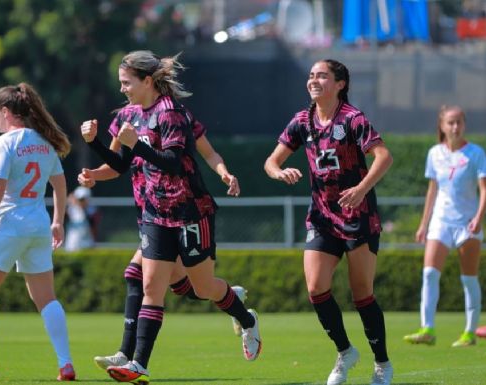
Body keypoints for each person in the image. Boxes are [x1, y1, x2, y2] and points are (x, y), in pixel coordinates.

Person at [81, 50, 260, 384]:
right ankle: (137, 363)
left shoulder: (172, 114)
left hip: (190, 211)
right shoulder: (127, 116)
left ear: (147, 81)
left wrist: (222, 171)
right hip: (155, 214)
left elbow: (173, 163)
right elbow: (120, 165)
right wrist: (93, 146)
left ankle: (246, 319)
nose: (122, 89)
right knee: (147, 282)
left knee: (203, 287)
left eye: (126, 83)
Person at [264, 59, 394, 385]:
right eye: (311, 75)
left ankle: (382, 364)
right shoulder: (302, 120)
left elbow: (384, 156)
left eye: (322, 75)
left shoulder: (352, 119)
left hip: (358, 216)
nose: (314, 80)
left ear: (339, 84)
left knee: (362, 294)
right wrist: (279, 171)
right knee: (315, 287)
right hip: (322, 216)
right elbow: (271, 161)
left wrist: (362, 189)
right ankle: (345, 351)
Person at [0, 82, 76, 382]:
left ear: (6, 112)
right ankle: (66, 364)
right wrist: (58, 220)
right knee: (47, 298)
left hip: (8, 223)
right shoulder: (44, 142)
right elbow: (60, 183)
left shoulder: (5, 143)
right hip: (38, 226)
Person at [403, 105, 485, 348]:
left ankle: (469, 332)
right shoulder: (434, 153)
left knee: (469, 279)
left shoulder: (476, 153)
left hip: (468, 223)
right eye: (451, 122)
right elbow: (432, 190)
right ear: (442, 126)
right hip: (440, 222)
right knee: (429, 274)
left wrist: (479, 218)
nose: (455, 127)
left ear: (464, 124)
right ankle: (427, 328)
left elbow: (484, 190)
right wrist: (423, 224)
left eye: (459, 122)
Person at [64, 186, 100, 251]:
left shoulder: (91, 210)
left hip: (87, 242)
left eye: (82, 199)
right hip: (73, 244)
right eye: (79, 199)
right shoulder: (72, 209)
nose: (81, 201)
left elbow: (93, 225)